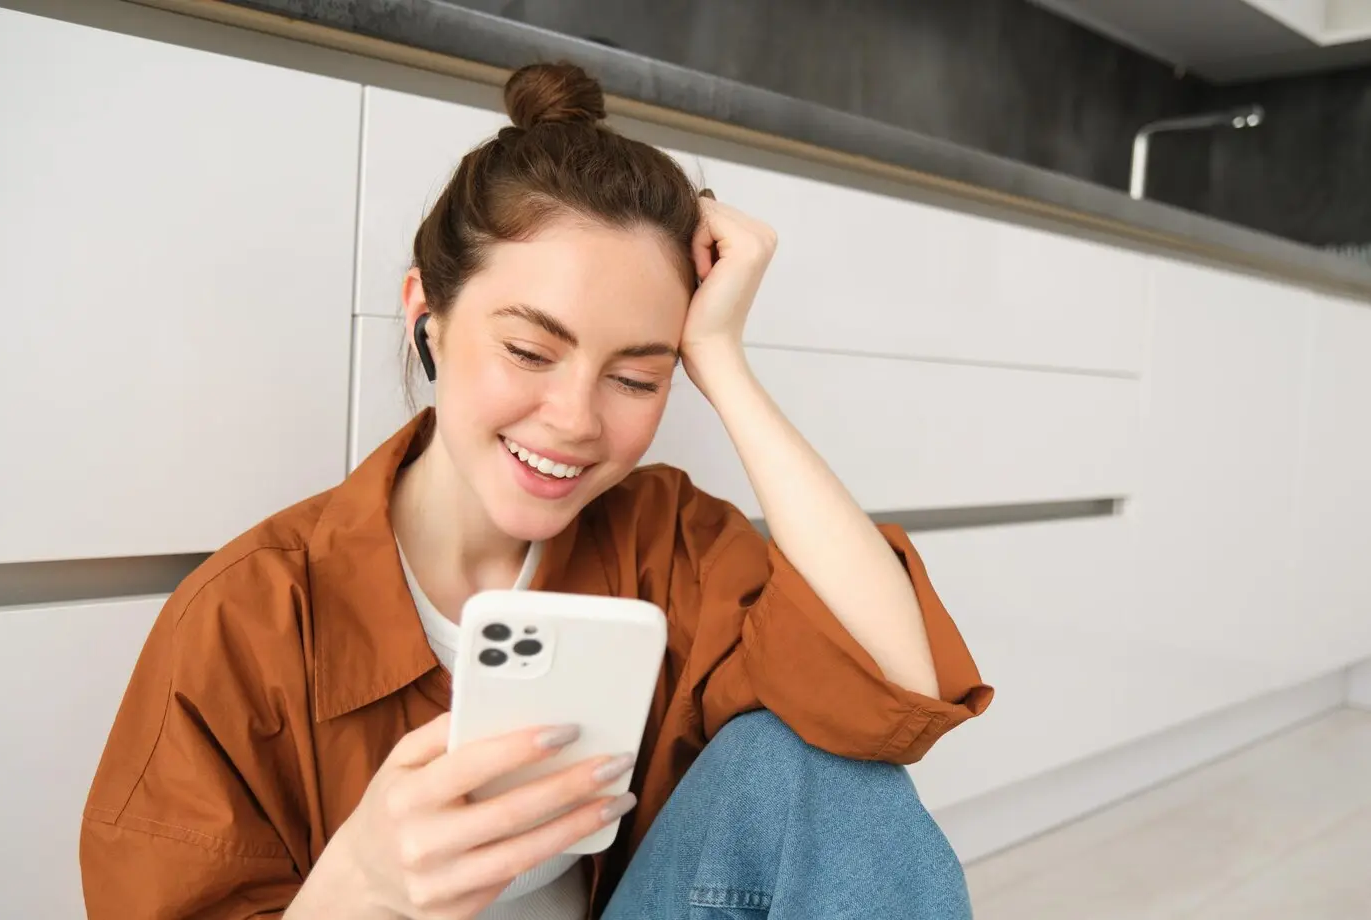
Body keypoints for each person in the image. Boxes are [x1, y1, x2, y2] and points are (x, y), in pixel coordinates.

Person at [79, 61, 993, 919]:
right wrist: (355, 884)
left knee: (813, 769)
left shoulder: (668, 541)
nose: (574, 421)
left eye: (636, 377)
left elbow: (892, 692)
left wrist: (723, 361)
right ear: (424, 315)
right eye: (528, 351)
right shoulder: (247, 621)